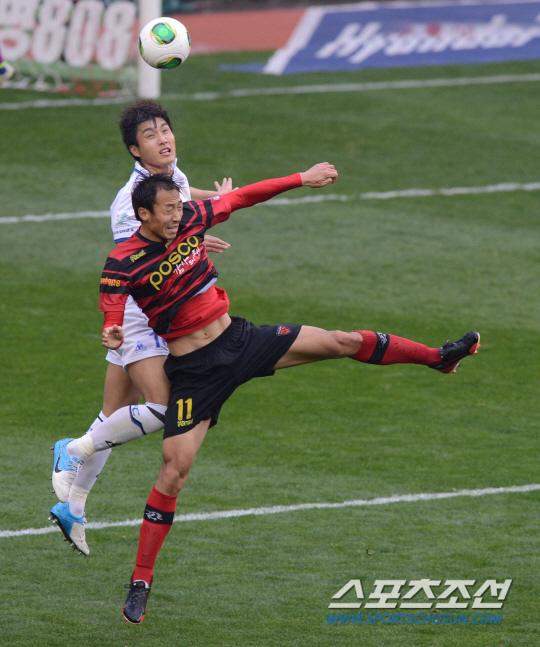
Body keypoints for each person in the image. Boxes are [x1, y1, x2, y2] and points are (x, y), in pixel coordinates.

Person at [53, 166, 480, 623]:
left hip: (240, 341)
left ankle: (437, 357)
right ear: (144, 214)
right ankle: (140, 581)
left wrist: (301, 178)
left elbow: (243, 198)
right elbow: (112, 314)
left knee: (342, 341)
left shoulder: (192, 219)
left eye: (179, 207)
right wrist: (112, 333)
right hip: (196, 374)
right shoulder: (122, 262)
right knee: (173, 473)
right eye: (168, 210)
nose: (178, 215)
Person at [49, 100, 233, 555]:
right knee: (166, 408)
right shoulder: (126, 205)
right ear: (134, 149)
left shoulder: (169, 177)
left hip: (152, 310)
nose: (163, 138)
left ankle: (74, 506)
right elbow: (136, 261)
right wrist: (192, 238)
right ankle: (71, 447)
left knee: (114, 412)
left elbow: (182, 199)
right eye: (150, 135)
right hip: (140, 316)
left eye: (165, 129)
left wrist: (214, 201)